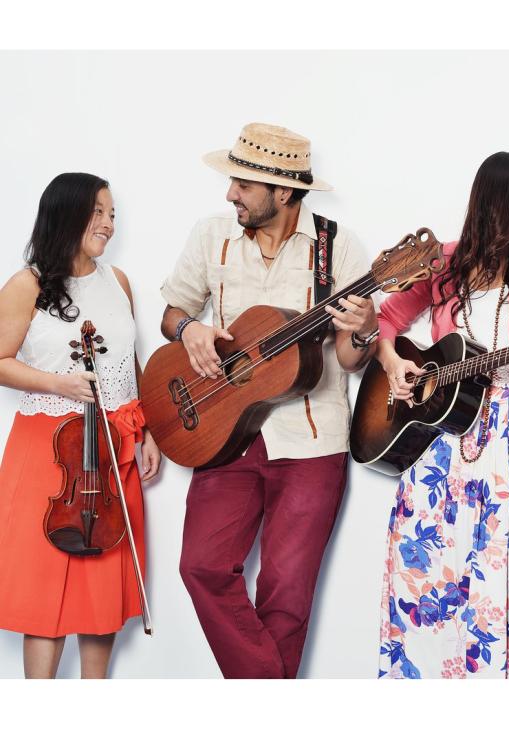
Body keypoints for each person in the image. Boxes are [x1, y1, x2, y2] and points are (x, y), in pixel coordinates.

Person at [161, 123, 378, 678]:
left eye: (242, 185)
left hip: (311, 440)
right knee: (201, 566)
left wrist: (360, 331)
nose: (230, 194)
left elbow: (351, 363)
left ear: (284, 192)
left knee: (286, 594)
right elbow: (171, 314)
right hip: (224, 431)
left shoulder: (338, 247)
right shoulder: (212, 236)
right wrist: (189, 329)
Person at [375, 151, 509, 678]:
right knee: (427, 567)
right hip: (438, 437)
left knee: (496, 576)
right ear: (495, 199)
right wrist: (393, 362)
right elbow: (387, 320)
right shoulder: (445, 262)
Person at [0, 172, 160, 678]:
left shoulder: (119, 282)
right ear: (66, 212)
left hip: (113, 444)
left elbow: (129, 362)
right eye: (99, 212)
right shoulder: (27, 284)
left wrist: (148, 429)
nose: (109, 224)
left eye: (112, 214)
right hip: (49, 447)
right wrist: (57, 383)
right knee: (45, 583)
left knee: (102, 583)